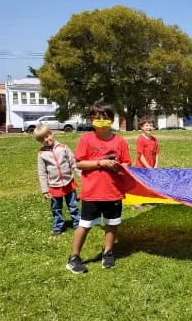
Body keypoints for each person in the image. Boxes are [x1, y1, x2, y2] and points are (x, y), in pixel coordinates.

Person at [66, 102, 131, 274]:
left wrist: (118, 167)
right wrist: (100, 163)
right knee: (85, 225)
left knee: (112, 224)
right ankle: (73, 257)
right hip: (92, 193)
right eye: (98, 117)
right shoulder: (86, 139)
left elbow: (126, 165)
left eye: (106, 117)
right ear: (91, 119)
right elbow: (79, 163)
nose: (102, 121)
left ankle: (108, 252)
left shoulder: (120, 141)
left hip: (113, 192)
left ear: (112, 119)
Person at [34, 124, 81, 235]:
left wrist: (81, 176)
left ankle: (77, 223)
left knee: (73, 205)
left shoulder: (63, 147)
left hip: (68, 182)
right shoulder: (41, 154)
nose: (46, 140)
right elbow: (42, 172)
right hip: (54, 185)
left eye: (47, 136)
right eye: (42, 139)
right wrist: (45, 190)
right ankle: (58, 226)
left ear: (51, 133)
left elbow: (73, 163)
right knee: (56, 208)